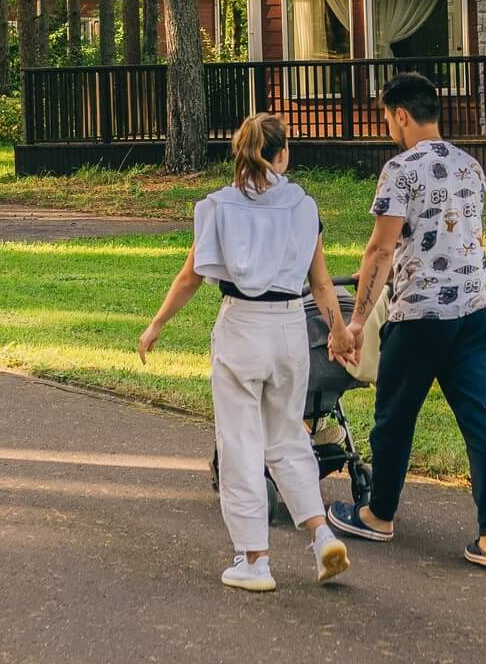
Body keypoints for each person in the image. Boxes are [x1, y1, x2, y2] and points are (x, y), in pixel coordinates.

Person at [140, 113, 354, 592]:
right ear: (280, 154)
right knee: (287, 438)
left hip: (242, 326)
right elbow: (320, 282)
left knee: (239, 442)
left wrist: (157, 324)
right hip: (290, 329)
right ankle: (321, 537)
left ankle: (254, 560)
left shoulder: (219, 207)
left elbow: (191, 276)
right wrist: (338, 330)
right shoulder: (303, 205)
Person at [326, 73, 486, 569]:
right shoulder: (471, 167)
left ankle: (379, 515)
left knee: (394, 416)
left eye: (388, 118)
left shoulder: (400, 170)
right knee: (480, 421)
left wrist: (358, 321)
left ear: (401, 114)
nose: (388, 126)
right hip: (474, 311)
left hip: (421, 314)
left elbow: (382, 248)